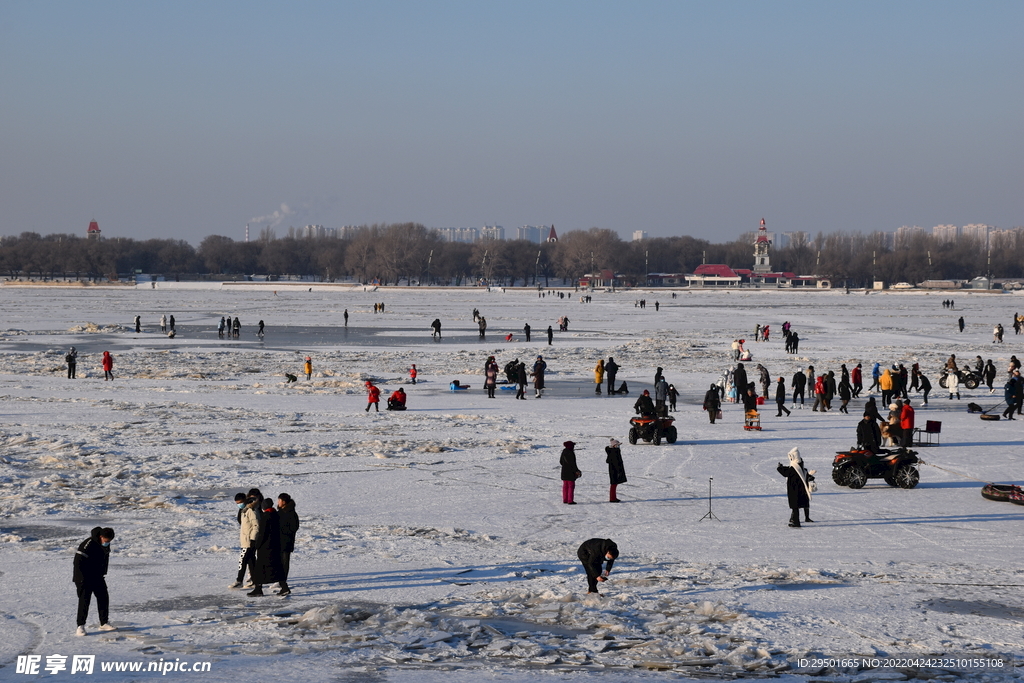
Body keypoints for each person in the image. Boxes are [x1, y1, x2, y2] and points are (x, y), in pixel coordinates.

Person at [73, 526, 117, 635]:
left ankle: (104, 623)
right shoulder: (88, 544)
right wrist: (81, 579)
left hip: (97, 576)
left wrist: (102, 573)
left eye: (109, 541)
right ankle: (80, 627)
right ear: (101, 537)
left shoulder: (104, 543)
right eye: (106, 541)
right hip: (83, 577)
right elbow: (77, 562)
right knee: (84, 601)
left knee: (103, 598)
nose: (107, 543)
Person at [248, 498, 286, 597]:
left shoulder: (266, 517)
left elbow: (262, 534)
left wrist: (256, 545)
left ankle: (258, 589)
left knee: (259, 569)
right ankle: (284, 587)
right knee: (277, 567)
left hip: (265, 548)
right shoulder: (277, 515)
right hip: (275, 546)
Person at [777, 448, 814, 528]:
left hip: (795, 489)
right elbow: (790, 470)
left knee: (795, 506)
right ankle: (794, 519)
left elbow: (787, 473)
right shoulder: (799, 464)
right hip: (800, 489)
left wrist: (779, 468)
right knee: (796, 506)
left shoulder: (794, 467)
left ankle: (796, 522)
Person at [276, 493, 299, 596]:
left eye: (279, 501)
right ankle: (282, 584)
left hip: (286, 542)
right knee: (279, 564)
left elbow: (294, 528)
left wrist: (283, 531)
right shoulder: (280, 512)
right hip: (278, 542)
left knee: (284, 564)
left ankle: (284, 585)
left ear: (284, 502)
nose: (278, 502)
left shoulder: (291, 513)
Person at [605, 438, 626, 502]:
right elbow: (616, 463)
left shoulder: (613, 451)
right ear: (614, 446)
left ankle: (613, 498)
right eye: (617, 445)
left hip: (613, 470)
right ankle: (612, 498)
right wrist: (619, 471)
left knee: (614, 484)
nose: (618, 446)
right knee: (613, 484)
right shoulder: (614, 452)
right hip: (614, 471)